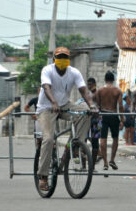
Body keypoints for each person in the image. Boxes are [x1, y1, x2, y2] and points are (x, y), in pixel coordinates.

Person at [36, 47, 97, 191]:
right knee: (49, 139)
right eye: (59, 57)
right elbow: (46, 87)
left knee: (86, 113)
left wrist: (92, 106)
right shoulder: (47, 70)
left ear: (68, 59)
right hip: (47, 107)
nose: (62, 60)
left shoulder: (74, 72)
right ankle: (43, 176)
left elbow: (83, 90)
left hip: (64, 105)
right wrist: (53, 102)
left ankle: (75, 145)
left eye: (65, 57)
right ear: (54, 59)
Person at [96, 71, 124, 171]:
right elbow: (120, 106)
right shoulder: (117, 90)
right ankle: (112, 159)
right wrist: (122, 120)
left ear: (105, 79)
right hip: (113, 115)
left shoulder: (99, 90)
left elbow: (98, 106)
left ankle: (105, 163)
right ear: (113, 79)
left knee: (103, 139)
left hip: (103, 115)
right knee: (115, 138)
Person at [86, 77, 102, 170]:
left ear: (94, 84)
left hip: (96, 119)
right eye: (88, 84)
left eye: (90, 84)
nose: (89, 86)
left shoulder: (97, 93)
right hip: (89, 118)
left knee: (95, 141)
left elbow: (100, 105)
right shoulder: (89, 93)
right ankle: (89, 164)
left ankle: (92, 166)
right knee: (87, 138)